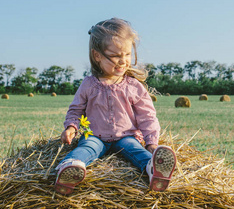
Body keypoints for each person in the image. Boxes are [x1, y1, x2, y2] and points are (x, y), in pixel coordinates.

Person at [54, 17, 176, 195]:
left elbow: (147, 116)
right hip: (95, 135)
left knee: (135, 150)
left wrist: (151, 143)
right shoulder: (89, 84)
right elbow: (76, 109)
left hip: (126, 136)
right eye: (115, 56)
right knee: (86, 149)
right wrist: (71, 126)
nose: (123, 61)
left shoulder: (134, 86)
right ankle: (70, 169)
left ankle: (154, 170)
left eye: (127, 54)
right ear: (97, 56)